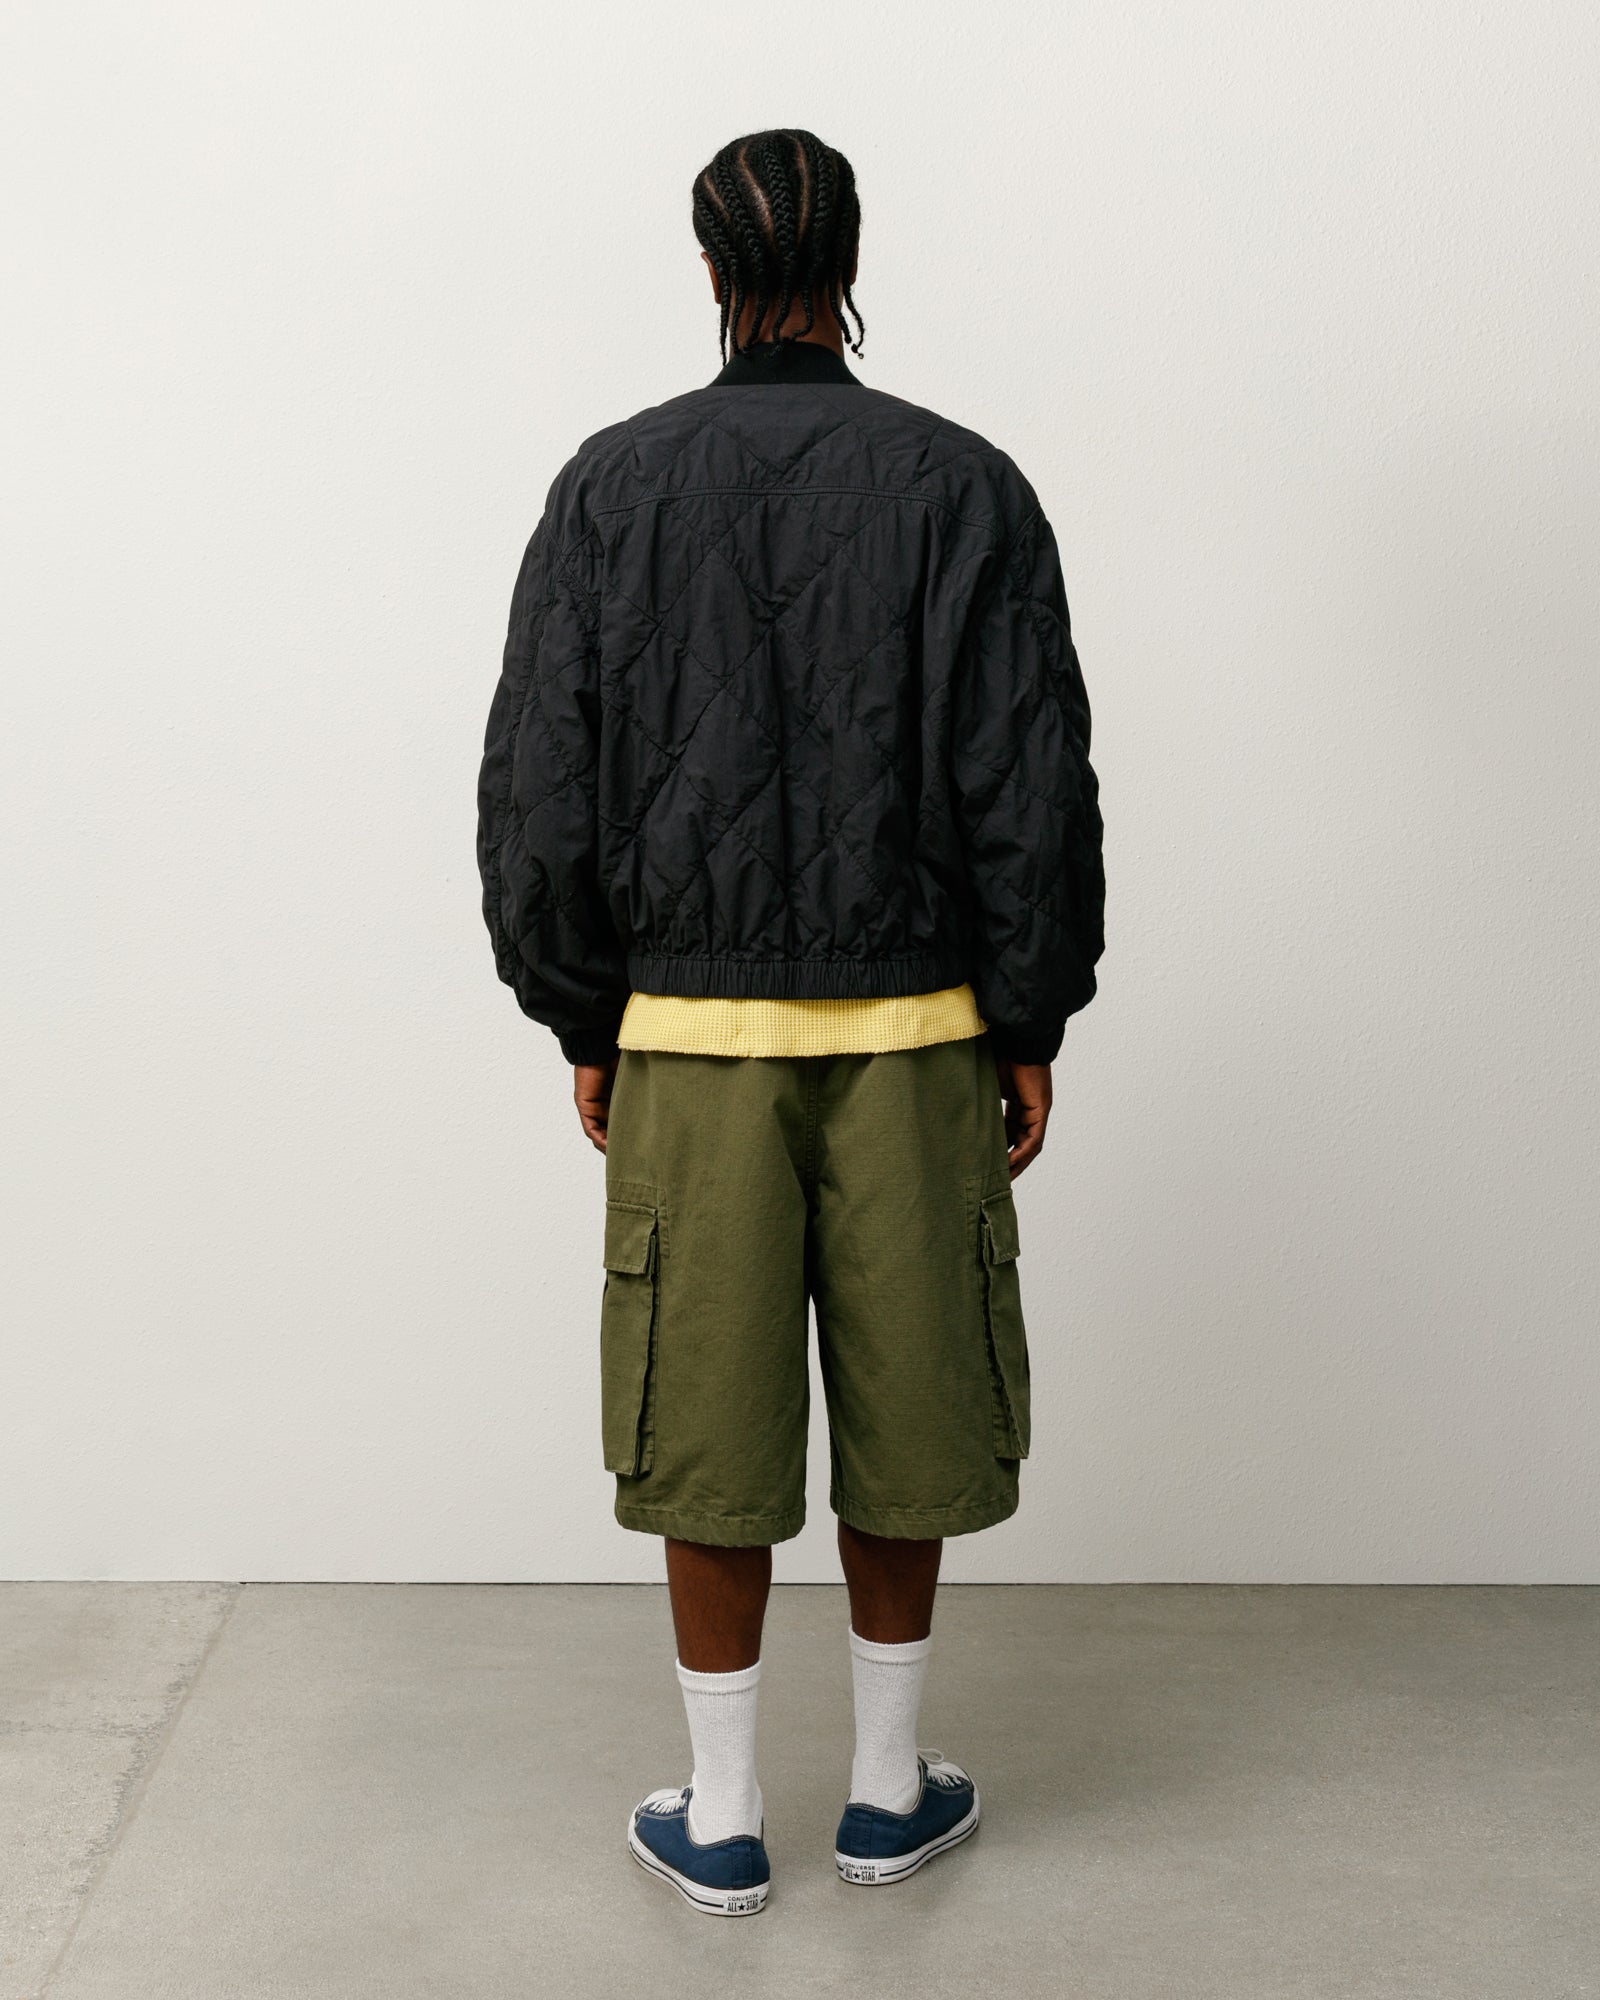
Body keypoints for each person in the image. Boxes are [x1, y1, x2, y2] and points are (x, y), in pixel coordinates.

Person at [476, 127, 1105, 1916]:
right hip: (916, 1037)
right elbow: (1030, 780)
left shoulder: (612, 486)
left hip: (690, 1043)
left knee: (705, 1413)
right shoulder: (963, 485)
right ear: (852, 264)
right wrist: (1029, 1015)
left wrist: (584, 1016)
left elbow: (542, 784)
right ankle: (891, 1793)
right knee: (914, 1400)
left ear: (708, 270)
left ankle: (729, 1809)